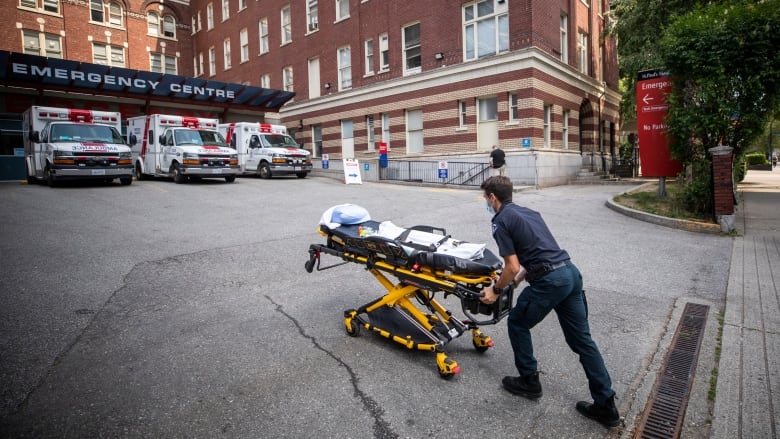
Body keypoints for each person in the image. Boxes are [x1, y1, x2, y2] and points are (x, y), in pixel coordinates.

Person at [479, 175, 620, 428]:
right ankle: (606, 405)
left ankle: (529, 381)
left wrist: (496, 290)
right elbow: (536, 252)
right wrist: (518, 281)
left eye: (485, 197)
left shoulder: (500, 221)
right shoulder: (529, 213)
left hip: (550, 281)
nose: (485, 203)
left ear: (492, 197)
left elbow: (510, 265)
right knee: (583, 341)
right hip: (570, 273)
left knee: (518, 323)